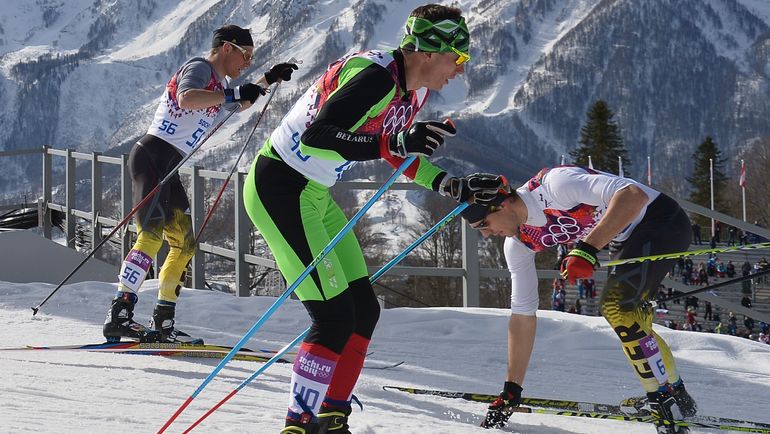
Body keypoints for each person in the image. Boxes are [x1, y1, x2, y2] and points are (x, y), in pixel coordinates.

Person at [241, 5, 499, 433]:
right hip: (281, 187)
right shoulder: (376, 75)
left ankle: (332, 416)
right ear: (431, 52)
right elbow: (318, 135)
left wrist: (453, 186)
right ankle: (298, 424)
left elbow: (394, 152)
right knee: (333, 317)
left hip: (314, 192)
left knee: (363, 310)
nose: (460, 70)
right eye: (460, 58)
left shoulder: (414, 92)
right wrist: (394, 138)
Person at [461, 166, 697, 433]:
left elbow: (633, 195)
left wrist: (586, 249)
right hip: (625, 236)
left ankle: (663, 401)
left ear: (499, 205)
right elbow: (522, 315)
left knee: (616, 308)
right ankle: (675, 392)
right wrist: (511, 390)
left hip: (661, 219)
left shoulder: (555, 185)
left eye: (483, 224)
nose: (485, 234)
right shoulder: (518, 244)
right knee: (632, 322)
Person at [102, 25, 298, 343]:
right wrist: (236, 92)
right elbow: (187, 97)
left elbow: (235, 105)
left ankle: (163, 320)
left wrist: (267, 79)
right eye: (245, 55)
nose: (247, 62)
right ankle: (119, 313)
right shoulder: (200, 68)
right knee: (150, 238)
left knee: (184, 244)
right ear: (226, 48)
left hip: (170, 164)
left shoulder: (219, 85)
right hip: (152, 157)